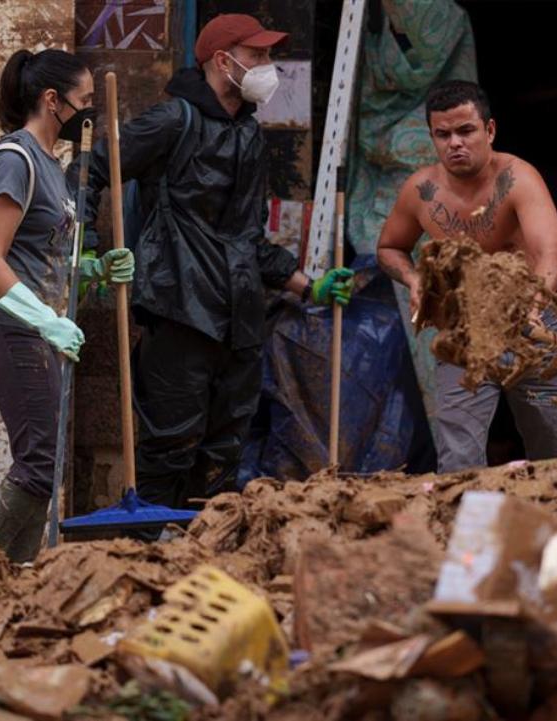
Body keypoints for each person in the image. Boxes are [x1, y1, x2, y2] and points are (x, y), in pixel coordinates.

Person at [77, 14, 353, 512]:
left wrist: (308, 285)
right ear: (223, 62)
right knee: (169, 449)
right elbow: (90, 170)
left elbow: (246, 237)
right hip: (180, 307)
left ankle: (208, 557)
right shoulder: (172, 121)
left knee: (224, 454)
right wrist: (90, 248)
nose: (269, 67)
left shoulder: (248, 134)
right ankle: (149, 556)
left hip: (239, 318)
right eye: (259, 56)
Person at [0, 48, 134, 562]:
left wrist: (94, 270)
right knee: (39, 461)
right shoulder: (13, 161)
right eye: (84, 101)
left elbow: (41, 255)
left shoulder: (53, 168)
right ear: (51, 100)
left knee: (43, 462)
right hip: (7, 325)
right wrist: (48, 320)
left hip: (38, 328)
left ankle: (14, 581)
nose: (89, 110)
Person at [377, 80, 557, 473]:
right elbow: (389, 248)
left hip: (530, 323)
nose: (455, 143)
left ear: (489, 130)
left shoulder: (519, 178)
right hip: (463, 327)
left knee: (556, 453)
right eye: (443, 134)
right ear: (432, 137)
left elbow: (551, 257)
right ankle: (465, 531)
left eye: (466, 131)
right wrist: (416, 280)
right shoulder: (421, 190)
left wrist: (535, 310)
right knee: (458, 458)